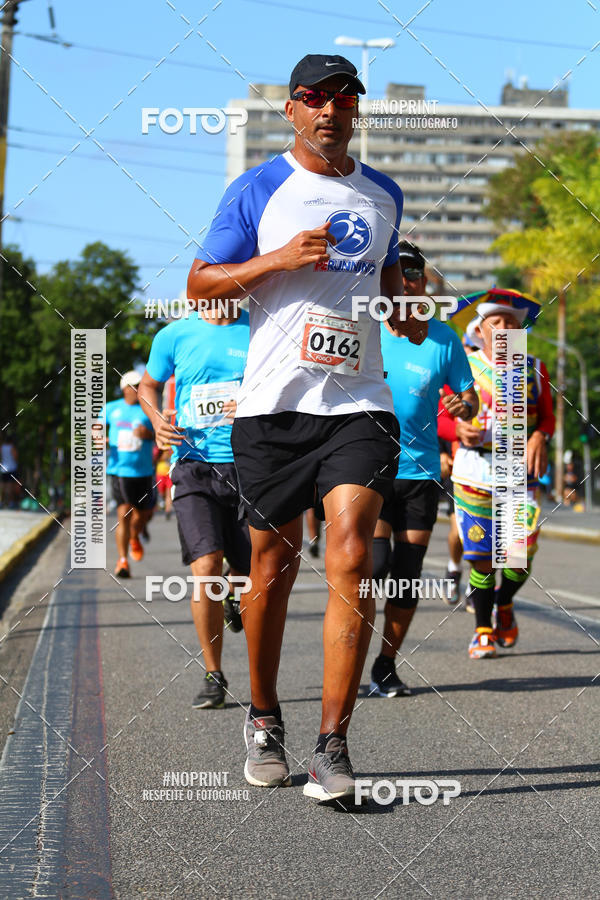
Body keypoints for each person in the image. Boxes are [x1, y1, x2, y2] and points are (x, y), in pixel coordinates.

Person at [187, 53, 426, 803]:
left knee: (353, 554)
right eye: (314, 98)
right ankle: (263, 718)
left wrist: (414, 305)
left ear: (358, 110)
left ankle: (333, 746)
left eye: (345, 97)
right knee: (271, 568)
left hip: (359, 402)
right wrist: (279, 258)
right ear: (292, 110)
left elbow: (395, 298)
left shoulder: (383, 194)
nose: (330, 110)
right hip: (273, 408)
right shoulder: (261, 187)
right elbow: (199, 285)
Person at [369, 241, 477, 697]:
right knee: (374, 567)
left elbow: (469, 400)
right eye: (401, 273)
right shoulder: (364, 329)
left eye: (417, 275)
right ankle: (349, 650)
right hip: (368, 469)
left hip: (419, 473)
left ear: (427, 285)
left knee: (407, 575)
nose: (410, 281)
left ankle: (385, 665)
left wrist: (462, 404)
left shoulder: (444, 339)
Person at [138, 300, 251, 709]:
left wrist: (254, 401)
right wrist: (156, 421)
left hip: (249, 467)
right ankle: (213, 673)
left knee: (246, 571)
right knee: (206, 568)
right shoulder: (174, 334)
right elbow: (148, 385)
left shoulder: (259, 327)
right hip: (193, 466)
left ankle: (236, 597)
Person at [451, 299, 555, 658]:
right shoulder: (464, 367)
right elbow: (443, 412)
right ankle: (483, 630)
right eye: (497, 322)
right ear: (480, 331)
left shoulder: (534, 369)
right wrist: (456, 427)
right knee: (481, 555)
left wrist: (540, 435)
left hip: (517, 472)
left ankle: (504, 603)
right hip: (474, 470)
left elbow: (548, 417)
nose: (507, 329)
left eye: (513, 323)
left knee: (517, 554)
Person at [437, 334, 476, 605]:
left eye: (473, 349)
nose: (469, 353)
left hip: (496, 467)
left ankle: (479, 588)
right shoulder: (450, 383)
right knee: (460, 530)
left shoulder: (506, 380)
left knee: (489, 533)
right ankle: (453, 568)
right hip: (459, 465)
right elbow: (437, 419)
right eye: (466, 349)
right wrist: (442, 451)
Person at [105, 371, 156, 577]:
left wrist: (148, 435)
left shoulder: (147, 409)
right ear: (125, 388)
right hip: (119, 470)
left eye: (139, 385)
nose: (137, 389)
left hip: (143, 471)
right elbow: (97, 427)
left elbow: (159, 433)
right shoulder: (112, 408)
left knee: (143, 515)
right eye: (134, 385)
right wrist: (98, 436)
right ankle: (123, 561)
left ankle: (135, 535)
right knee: (123, 513)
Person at [0, 436, 19, 508]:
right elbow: (15, 457)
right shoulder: (12, 447)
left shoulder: (2, 447)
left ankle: (2, 502)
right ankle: (11, 503)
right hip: (11, 468)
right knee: (10, 487)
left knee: (3, 487)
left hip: (3, 469)